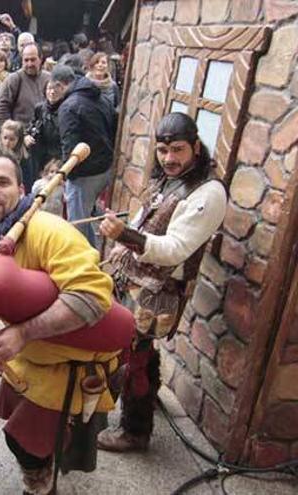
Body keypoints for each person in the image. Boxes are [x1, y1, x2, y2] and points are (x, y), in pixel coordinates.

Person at [0, 154, 120, 495]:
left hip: (72, 363)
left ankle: (40, 485)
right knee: (26, 443)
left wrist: (23, 332)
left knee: (26, 444)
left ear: (21, 190)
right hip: (30, 360)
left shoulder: (49, 231)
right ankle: (41, 474)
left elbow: (92, 297)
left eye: (2, 182)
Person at [97, 113, 227, 453]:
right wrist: (122, 241)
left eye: (178, 150)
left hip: (160, 292)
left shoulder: (209, 192)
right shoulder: (172, 179)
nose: (169, 158)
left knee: (133, 356)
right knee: (140, 350)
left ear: (196, 147)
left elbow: (175, 250)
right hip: (136, 281)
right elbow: (147, 220)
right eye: (163, 150)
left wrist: (125, 234)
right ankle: (148, 395)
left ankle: (135, 430)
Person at [53, 64, 116, 247]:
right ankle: (92, 253)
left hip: (84, 173)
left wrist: (67, 174)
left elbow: (69, 144)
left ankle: (83, 263)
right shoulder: (100, 97)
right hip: (104, 166)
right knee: (86, 218)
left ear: (59, 85)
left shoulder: (68, 106)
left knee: (77, 224)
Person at [0, 42, 50, 126]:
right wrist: (14, 131)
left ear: (40, 59)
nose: (29, 64)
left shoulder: (49, 78)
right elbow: (1, 109)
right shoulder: (13, 79)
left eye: (33, 60)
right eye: (26, 60)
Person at [25, 79, 65, 187]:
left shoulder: (66, 109)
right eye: (49, 89)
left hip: (59, 154)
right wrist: (27, 136)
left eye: (56, 89)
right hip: (41, 154)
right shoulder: (40, 108)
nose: (52, 92)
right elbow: (32, 126)